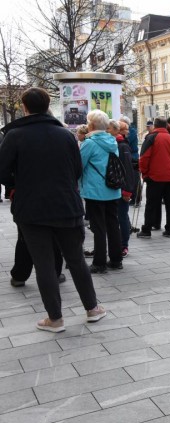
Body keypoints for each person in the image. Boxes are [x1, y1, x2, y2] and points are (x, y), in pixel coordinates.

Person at [0, 87, 106, 332]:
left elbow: (3, 173)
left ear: (24, 108)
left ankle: (55, 319)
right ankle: (92, 309)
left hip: (31, 209)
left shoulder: (14, 136)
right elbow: (77, 170)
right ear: (48, 105)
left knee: (44, 264)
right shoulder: (65, 135)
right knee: (76, 259)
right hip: (66, 205)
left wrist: (21, 182)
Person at [80, 110, 124, 273]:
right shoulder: (112, 141)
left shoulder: (89, 143)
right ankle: (116, 259)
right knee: (113, 224)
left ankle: (99, 262)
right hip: (112, 189)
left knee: (98, 227)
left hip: (94, 191)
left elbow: (79, 165)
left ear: (91, 125)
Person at [137, 116, 170, 238]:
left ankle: (147, 229)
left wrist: (145, 173)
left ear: (155, 125)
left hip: (155, 176)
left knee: (151, 204)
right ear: (166, 126)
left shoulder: (151, 137)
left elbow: (144, 158)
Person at [115, 120, 136, 258]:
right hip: (118, 187)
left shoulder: (122, 146)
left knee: (122, 216)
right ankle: (120, 243)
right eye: (126, 129)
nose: (128, 132)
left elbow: (127, 170)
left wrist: (127, 190)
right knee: (121, 216)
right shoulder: (119, 144)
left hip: (121, 188)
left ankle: (124, 245)